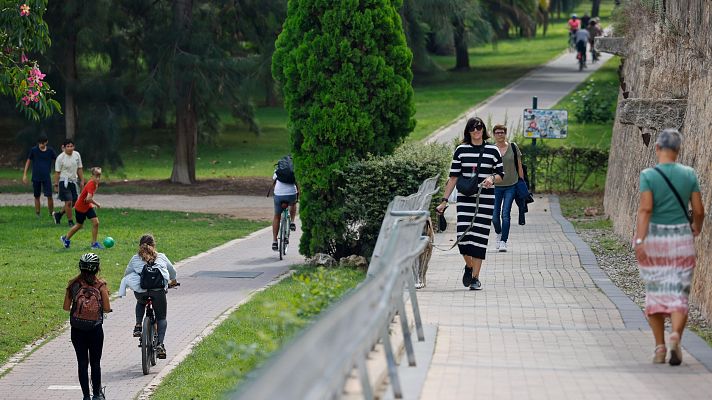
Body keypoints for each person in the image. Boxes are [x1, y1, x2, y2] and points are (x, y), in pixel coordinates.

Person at [634, 128, 705, 365]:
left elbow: (645, 209)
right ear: (678, 150)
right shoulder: (689, 174)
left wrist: (640, 240)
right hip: (681, 240)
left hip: (655, 239)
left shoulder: (648, 175)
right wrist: (696, 227)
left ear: (657, 148)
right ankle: (675, 335)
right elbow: (699, 210)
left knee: (655, 292)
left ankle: (660, 348)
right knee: (678, 293)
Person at [436, 117, 504, 290]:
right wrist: (444, 201)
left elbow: (500, 174)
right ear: (468, 131)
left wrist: (491, 178)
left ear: (483, 130)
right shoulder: (461, 150)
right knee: (463, 238)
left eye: (479, 127)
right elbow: (453, 177)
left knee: (480, 239)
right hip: (465, 199)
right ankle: (469, 265)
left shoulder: (493, 150)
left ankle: (475, 278)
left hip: (486, 200)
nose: (476, 130)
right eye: (473, 128)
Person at [119, 234, 177, 359]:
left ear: (140, 246)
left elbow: (127, 274)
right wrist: (173, 281)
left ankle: (138, 325)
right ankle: (160, 344)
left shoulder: (135, 259)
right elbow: (172, 271)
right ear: (154, 245)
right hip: (158, 292)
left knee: (140, 302)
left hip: (142, 292)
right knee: (161, 318)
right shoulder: (161, 256)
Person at [63, 253, 111, 400]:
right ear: (97, 269)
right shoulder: (100, 285)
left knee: (82, 363)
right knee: (95, 363)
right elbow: (107, 308)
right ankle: (96, 395)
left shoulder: (73, 284)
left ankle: (86, 397)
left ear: (80, 266)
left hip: (77, 330)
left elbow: (66, 307)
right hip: (95, 330)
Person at [491, 124, 524, 252]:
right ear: (494, 134)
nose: (500, 134)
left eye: (502, 132)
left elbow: (519, 166)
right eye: (497, 133)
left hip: (511, 185)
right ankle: (499, 234)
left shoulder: (513, 147)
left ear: (505, 133)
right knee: (494, 216)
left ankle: (504, 241)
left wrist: (522, 183)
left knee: (505, 214)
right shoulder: (491, 149)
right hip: (495, 186)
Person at [61, 167, 103, 250]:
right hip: (80, 207)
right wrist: (97, 204)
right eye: (96, 176)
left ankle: (94, 244)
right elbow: (88, 199)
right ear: (92, 176)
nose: (98, 178)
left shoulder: (95, 184)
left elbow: (87, 199)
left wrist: (91, 203)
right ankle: (65, 238)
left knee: (96, 223)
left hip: (87, 206)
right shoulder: (91, 184)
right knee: (79, 226)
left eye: (99, 176)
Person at [22, 134, 57, 220]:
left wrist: (58, 171)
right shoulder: (34, 150)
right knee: (36, 195)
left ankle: (51, 213)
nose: (41, 145)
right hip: (36, 176)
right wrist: (25, 174)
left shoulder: (50, 151)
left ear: (46, 142)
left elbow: (57, 160)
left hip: (46, 177)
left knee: (49, 196)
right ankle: (37, 213)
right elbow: (28, 161)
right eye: (40, 143)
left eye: (43, 143)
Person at [270, 158, 299, 251]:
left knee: (277, 216)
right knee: (293, 203)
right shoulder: (294, 170)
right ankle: (292, 222)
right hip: (291, 194)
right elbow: (298, 185)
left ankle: (274, 241)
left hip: (278, 194)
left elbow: (274, 183)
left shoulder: (277, 171)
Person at [54, 139, 84, 226]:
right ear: (64, 147)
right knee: (69, 202)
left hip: (73, 181)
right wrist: (56, 185)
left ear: (74, 147)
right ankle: (70, 221)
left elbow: (80, 168)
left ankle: (58, 214)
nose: (70, 148)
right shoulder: (60, 158)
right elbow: (57, 172)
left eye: (71, 146)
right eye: (68, 146)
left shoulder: (77, 155)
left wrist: (82, 180)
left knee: (74, 201)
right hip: (64, 181)